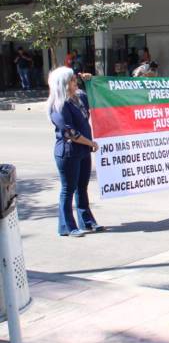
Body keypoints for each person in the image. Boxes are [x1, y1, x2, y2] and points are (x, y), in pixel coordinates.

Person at [47, 67, 105, 236]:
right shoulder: (58, 105)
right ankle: (67, 226)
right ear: (63, 84)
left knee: (82, 187)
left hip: (83, 150)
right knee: (68, 189)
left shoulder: (79, 98)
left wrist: (90, 81)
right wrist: (91, 143)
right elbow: (70, 132)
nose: (75, 82)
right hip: (69, 152)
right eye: (72, 80)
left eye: (74, 79)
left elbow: (95, 98)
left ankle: (87, 221)